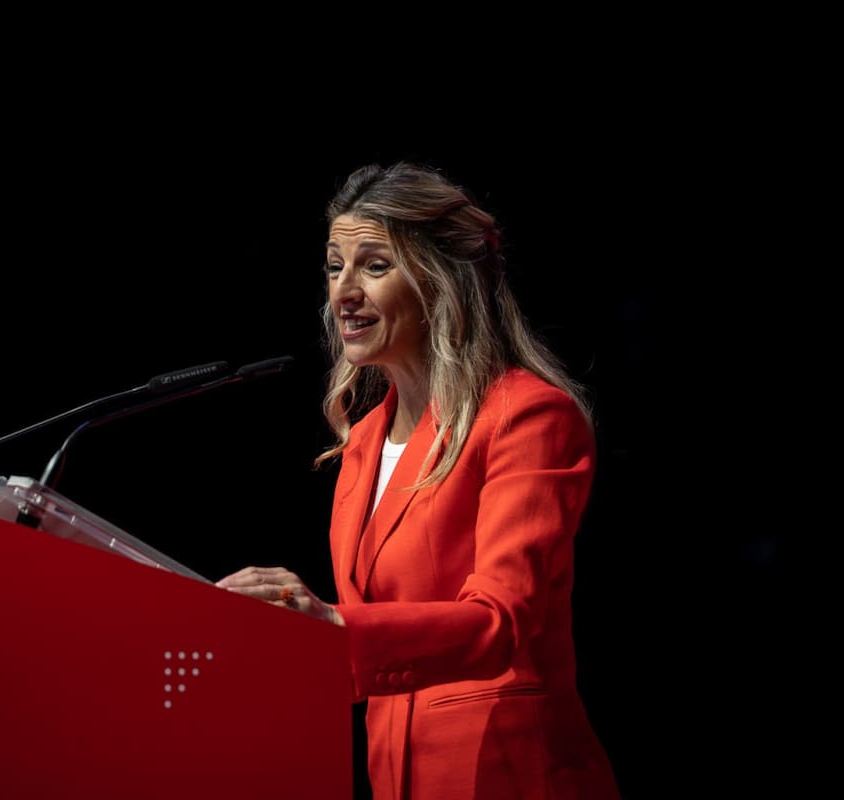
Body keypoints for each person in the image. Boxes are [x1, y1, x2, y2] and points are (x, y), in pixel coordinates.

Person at [216, 161, 621, 799]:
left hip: (506, 776)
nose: (343, 291)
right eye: (333, 266)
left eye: (374, 266)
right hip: (394, 777)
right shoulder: (361, 445)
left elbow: (500, 623)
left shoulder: (528, 416)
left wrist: (332, 625)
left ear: (441, 282)